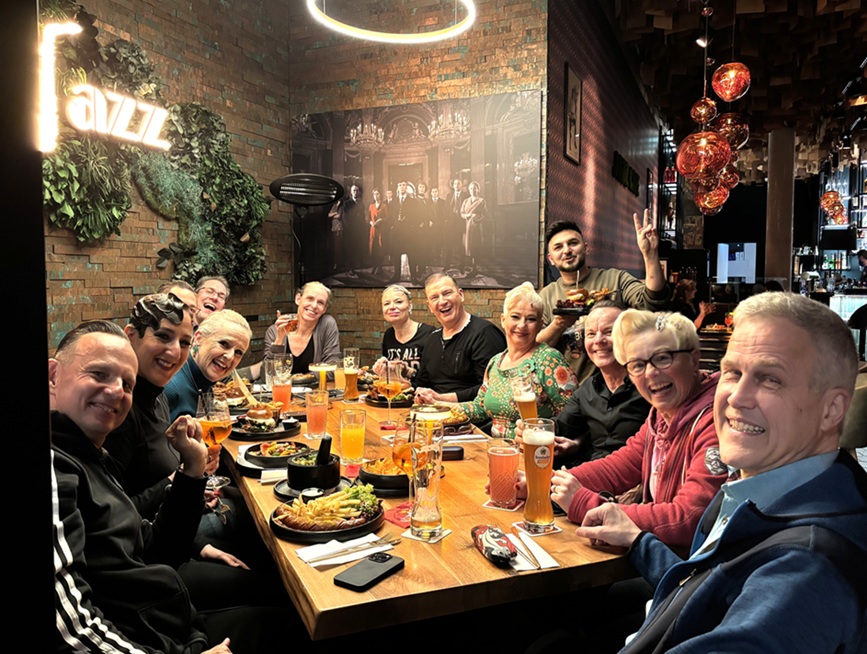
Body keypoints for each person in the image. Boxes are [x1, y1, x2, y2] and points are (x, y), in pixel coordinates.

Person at [576, 293, 867, 654]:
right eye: (732, 372)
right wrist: (639, 542)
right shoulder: (766, 489)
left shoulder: (805, 568)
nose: (736, 398)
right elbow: (710, 588)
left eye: (770, 379)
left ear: (832, 409)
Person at [50, 321, 229, 653]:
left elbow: (155, 549)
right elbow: (70, 630)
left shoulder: (90, 455)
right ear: (52, 376)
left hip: (167, 623)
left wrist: (192, 470)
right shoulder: (56, 468)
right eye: (99, 374)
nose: (116, 391)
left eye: (127, 384)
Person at [521, 310, 727, 551]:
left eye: (662, 358)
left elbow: (689, 519)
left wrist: (586, 503)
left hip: (687, 567)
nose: (650, 373)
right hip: (656, 555)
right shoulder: (662, 415)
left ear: (694, 359)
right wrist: (542, 483)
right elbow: (621, 466)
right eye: (638, 365)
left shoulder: (717, 421)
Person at [538, 213, 669, 385]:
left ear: (586, 248)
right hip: (568, 390)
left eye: (573, 243)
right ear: (551, 259)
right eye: (558, 247)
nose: (567, 250)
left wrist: (650, 255)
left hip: (620, 386)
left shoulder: (616, 279)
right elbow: (534, 349)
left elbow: (652, 302)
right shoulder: (546, 296)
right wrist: (559, 324)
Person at [457, 282, 577, 432]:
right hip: (495, 446)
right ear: (503, 320)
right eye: (515, 317)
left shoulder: (549, 360)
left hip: (533, 445)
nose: (522, 325)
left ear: (540, 325)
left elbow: (574, 415)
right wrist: (441, 407)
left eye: (531, 319)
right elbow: (479, 408)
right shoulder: (496, 361)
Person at [553, 301, 651, 468]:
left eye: (609, 332)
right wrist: (529, 429)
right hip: (590, 475)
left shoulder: (650, 386)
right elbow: (560, 428)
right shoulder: (588, 388)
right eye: (591, 334)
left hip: (634, 478)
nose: (598, 340)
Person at [414, 273, 507, 404]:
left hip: (472, 414)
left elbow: (492, 387)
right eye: (434, 297)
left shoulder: (485, 333)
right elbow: (422, 384)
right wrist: (399, 380)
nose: (442, 301)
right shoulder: (431, 339)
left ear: (461, 295)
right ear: (429, 306)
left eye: (447, 293)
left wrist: (442, 399)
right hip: (433, 412)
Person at [165, 309, 252, 420]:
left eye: (238, 352)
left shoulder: (206, 384)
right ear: (198, 338)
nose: (230, 356)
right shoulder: (170, 388)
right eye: (224, 344)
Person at [263, 281, 340, 375]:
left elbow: (332, 367)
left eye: (320, 303)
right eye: (310, 299)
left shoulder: (327, 324)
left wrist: (300, 380)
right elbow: (267, 375)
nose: (314, 306)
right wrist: (279, 341)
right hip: (284, 385)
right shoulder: (274, 331)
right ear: (298, 299)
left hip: (314, 385)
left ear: (324, 309)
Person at [375, 284, 436, 380]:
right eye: (386, 303)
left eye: (398, 302)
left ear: (410, 306)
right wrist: (382, 370)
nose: (392, 307)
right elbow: (390, 376)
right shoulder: (388, 335)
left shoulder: (429, 333)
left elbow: (435, 376)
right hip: (397, 389)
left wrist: (408, 372)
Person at [460, 181, 487, 275]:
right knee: (466, 246)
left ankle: (474, 268)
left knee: (475, 246)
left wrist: (476, 217)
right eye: (471, 189)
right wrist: (466, 216)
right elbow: (461, 212)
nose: (473, 190)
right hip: (466, 227)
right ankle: (468, 266)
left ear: (478, 190)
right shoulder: (466, 201)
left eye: (474, 188)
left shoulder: (481, 201)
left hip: (476, 227)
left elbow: (484, 214)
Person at [368, 188, 387, 274]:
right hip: (373, 229)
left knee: (380, 247)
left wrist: (380, 220)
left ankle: (380, 267)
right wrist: (371, 222)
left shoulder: (384, 206)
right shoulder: (371, 206)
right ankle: (374, 266)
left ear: (380, 195)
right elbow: (368, 217)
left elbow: (387, 217)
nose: (376, 196)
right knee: (373, 247)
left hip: (381, 230)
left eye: (377, 194)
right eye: (374, 194)